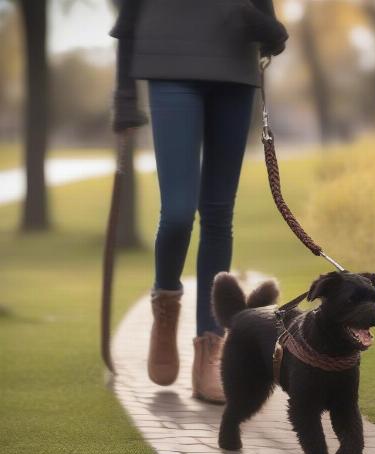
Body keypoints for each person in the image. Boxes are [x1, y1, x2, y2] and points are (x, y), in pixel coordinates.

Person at [109, 0, 288, 403]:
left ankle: (211, 345)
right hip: (168, 64)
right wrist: (123, 94)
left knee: (219, 214)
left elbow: (269, 22)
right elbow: (128, 17)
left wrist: (270, 33)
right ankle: (166, 304)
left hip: (234, 71)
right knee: (176, 213)